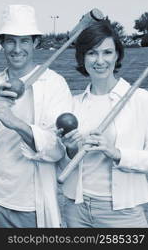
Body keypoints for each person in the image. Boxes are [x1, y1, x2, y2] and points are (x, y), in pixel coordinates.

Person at [0, 4, 72, 228]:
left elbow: (55, 150)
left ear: (35, 43)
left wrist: (15, 123)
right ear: (2, 44)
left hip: (30, 206)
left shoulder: (55, 84)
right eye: (11, 41)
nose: (17, 48)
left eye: (24, 41)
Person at [59, 20, 148, 227]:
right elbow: (65, 162)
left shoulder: (140, 100)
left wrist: (117, 153)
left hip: (123, 213)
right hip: (76, 209)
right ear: (82, 58)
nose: (100, 61)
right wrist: (71, 149)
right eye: (92, 53)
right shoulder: (73, 104)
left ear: (117, 55)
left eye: (107, 52)